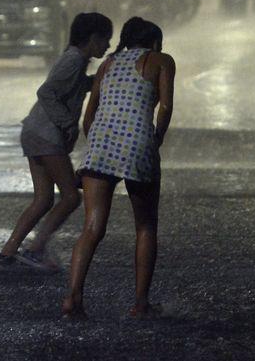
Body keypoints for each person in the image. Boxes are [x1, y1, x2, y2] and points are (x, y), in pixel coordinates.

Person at [62, 17, 175, 318]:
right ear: (153, 42)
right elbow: (165, 106)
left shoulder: (107, 65)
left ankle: (73, 298)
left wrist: (97, 142)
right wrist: (157, 138)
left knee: (92, 227)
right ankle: (140, 304)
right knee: (145, 225)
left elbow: (90, 114)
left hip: (101, 144)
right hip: (138, 143)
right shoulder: (161, 60)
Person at [0, 13, 114, 272]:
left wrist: (102, 77)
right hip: (47, 134)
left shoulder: (74, 59)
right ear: (93, 39)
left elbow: (77, 87)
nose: (108, 46)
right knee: (70, 197)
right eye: (106, 40)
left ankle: (8, 253)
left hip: (34, 131)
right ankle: (35, 249)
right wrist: (66, 123)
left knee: (43, 199)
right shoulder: (73, 60)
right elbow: (46, 91)